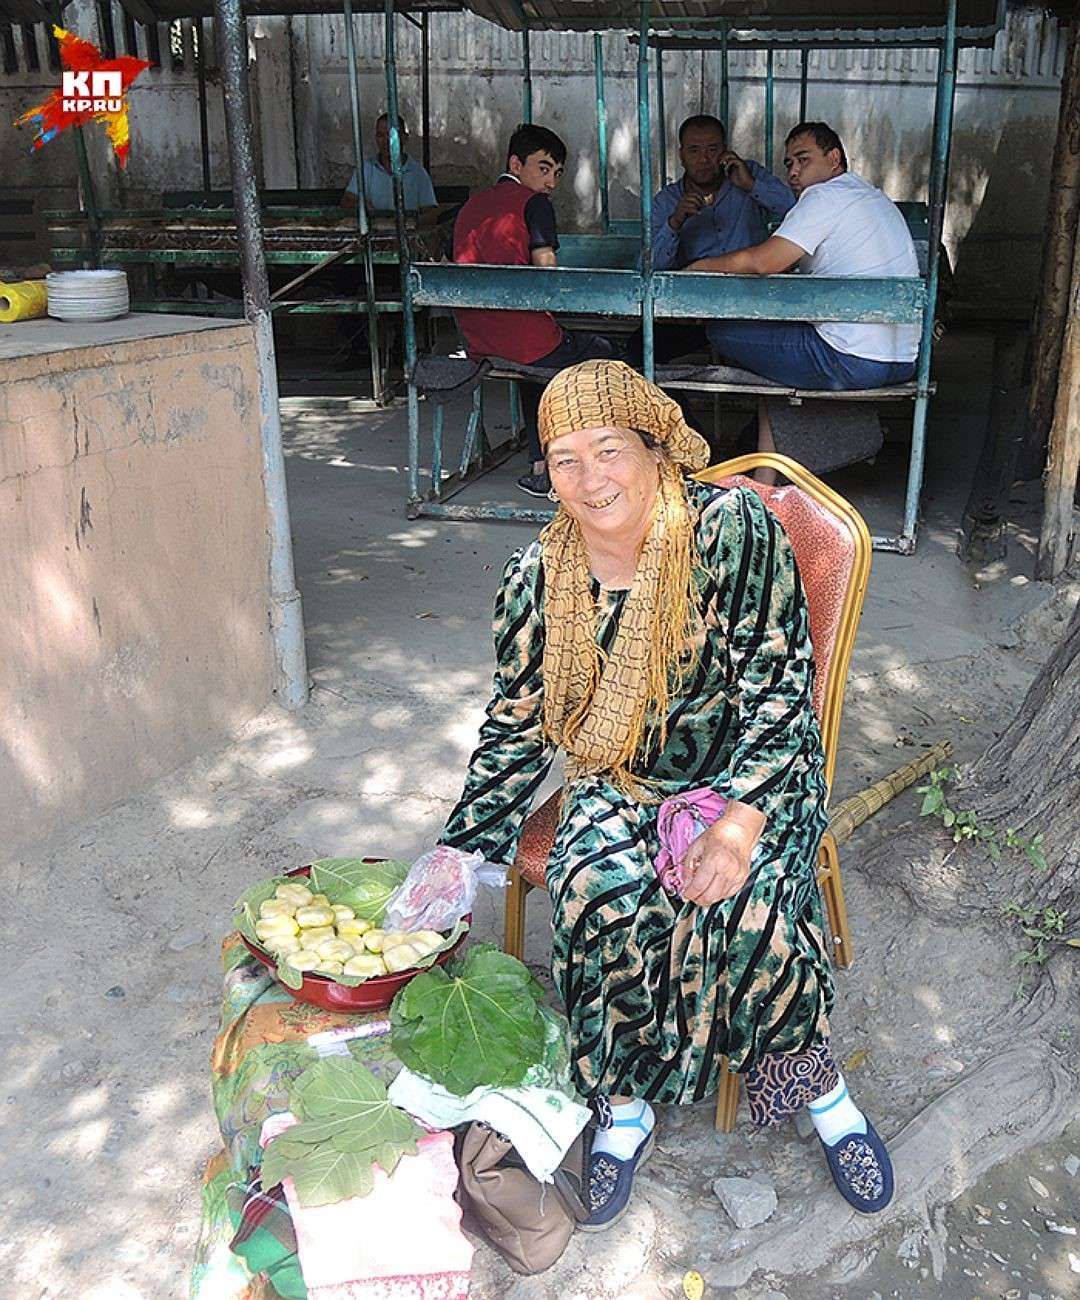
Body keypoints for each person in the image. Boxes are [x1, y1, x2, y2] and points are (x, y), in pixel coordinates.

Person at [439, 359, 895, 1230]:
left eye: (608, 449)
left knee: (749, 900)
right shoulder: (541, 572)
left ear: (655, 448)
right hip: (626, 777)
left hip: (756, 771)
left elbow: (778, 695)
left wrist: (735, 826)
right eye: (564, 458)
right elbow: (518, 719)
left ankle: (823, 1095)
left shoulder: (729, 532)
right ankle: (628, 1107)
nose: (588, 478)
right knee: (593, 889)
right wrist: (464, 848)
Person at [686, 121, 919, 467]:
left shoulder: (824, 196)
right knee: (771, 359)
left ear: (834, 158)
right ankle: (766, 472)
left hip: (850, 360)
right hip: (903, 361)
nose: (794, 171)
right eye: (789, 164)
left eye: (803, 160)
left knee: (721, 331)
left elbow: (765, 261)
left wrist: (697, 269)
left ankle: (777, 455)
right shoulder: (872, 197)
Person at [452, 123, 623, 498]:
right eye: (543, 168)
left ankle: (540, 464)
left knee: (537, 365)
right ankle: (605, 459)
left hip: (481, 340)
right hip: (524, 340)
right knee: (612, 353)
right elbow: (547, 273)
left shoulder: (471, 206)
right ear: (516, 163)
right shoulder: (534, 204)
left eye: (557, 173)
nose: (550, 182)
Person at [639, 114, 794, 364]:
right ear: (681, 156)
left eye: (712, 150)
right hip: (696, 312)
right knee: (639, 349)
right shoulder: (666, 202)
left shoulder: (747, 174)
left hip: (754, 306)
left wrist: (751, 185)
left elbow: (796, 209)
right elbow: (647, 269)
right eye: (694, 150)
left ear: (724, 151)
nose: (704, 159)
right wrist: (675, 223)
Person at [342, 113, 437, 214]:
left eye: (392, 135)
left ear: (405, 138)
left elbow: (430, 212)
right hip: (374, 229)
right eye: (380, 135)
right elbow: (347, 201)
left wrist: (410, 222)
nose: (386, 141)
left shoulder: (418, 173)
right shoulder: (365, 169)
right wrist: (362, 205)